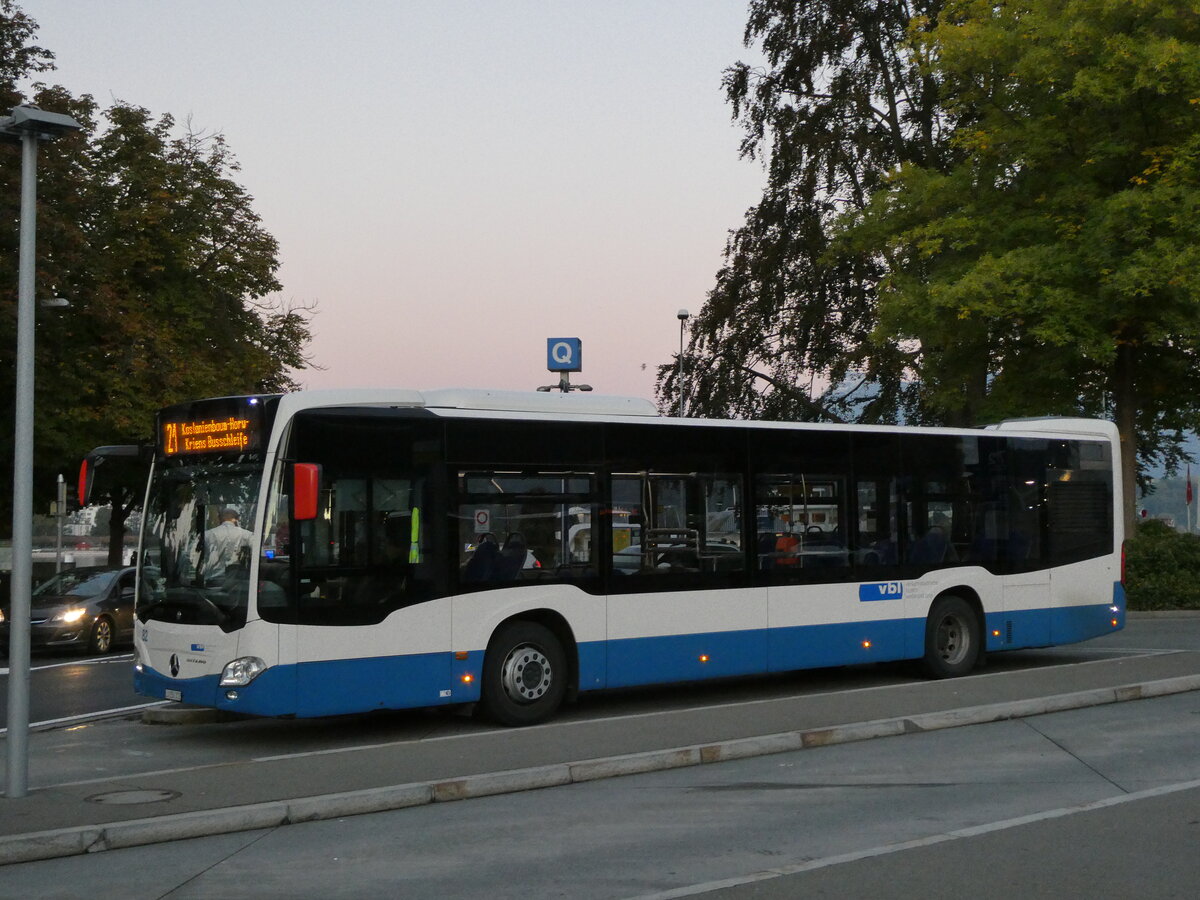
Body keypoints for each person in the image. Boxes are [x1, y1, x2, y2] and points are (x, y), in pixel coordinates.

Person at [201, 508, 253, 583]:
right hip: (236, 583)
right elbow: (257, 553)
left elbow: (190, 555)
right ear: (237, 519)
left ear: (219, 519)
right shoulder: (247, 535)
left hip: (211, 582)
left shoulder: (208, 534)